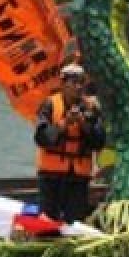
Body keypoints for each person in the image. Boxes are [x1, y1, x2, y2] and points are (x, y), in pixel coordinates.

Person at [33, 63, 107, 224]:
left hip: (78, 178)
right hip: (51, 177)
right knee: (47, 223)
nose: (78, 87)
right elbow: (41, 138)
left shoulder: (91, 108)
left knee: (74, 223)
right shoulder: (49, 105)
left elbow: (99, 141)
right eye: (74, 82)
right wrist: (64, 123)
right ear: (63, 83)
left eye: (81, 82)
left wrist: (83, 124)